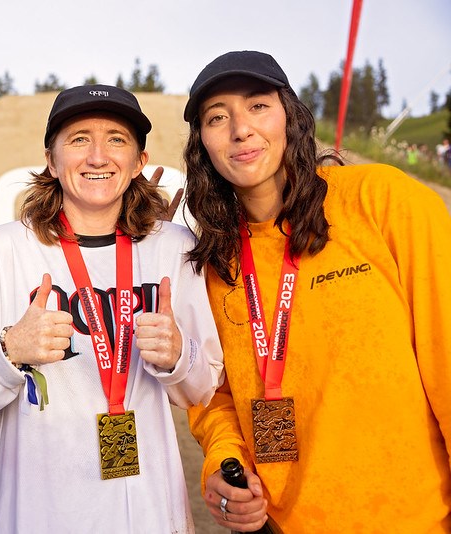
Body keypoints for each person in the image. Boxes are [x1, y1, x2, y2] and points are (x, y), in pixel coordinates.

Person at [182, 50, 451, 532]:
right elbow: (212, 393)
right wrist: (224, 460)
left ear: (292, 116)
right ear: (202, 143)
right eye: (216, 118)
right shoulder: (212, 263)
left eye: (258, 106)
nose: (240, 129)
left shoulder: (381, 200)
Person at [0, 84, 223, 533]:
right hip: (35, 509)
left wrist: (179, 356)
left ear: (139, 161)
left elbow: (202, 387)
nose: (98, 156)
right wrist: (8, 349)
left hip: (144, 510)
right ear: (51, 160)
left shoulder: (173, 248)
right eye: (78, 139)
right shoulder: (3, 249)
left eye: (116, 138)